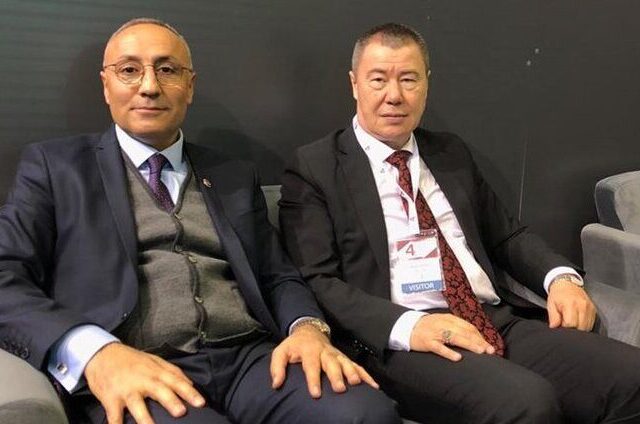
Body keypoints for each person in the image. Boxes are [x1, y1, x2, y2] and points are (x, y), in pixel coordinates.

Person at [0, 18, 402, 424]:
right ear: (106, 86)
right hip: (136, 364)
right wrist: (96, 353)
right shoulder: (55, 168)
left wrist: (308, 329)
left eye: (167, 69)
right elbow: (5, 276)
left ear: (189, 86)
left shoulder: (232, 174)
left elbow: (277, 274)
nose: (149, 86)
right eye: (129, 70)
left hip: (251, 361)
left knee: (365, 413)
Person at [279, 22, 640, 423]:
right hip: (405, 340)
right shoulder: (316, 167)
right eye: (378, 79)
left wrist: (559, 278)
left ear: (426, 84)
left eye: (408, 79)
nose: (394, 95)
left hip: (490, 317)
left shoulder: (449, 153)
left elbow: (507, 235)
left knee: (631, 376)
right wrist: (411, 326)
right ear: (354, 84)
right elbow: (318, 280)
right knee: (526, 401)